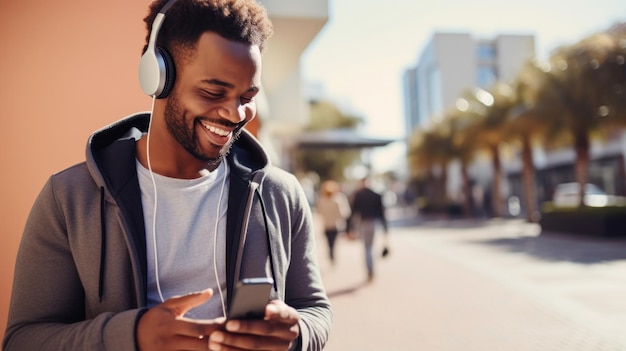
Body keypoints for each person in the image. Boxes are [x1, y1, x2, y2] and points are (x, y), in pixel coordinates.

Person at [3, 1, 332, 350]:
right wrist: (130, 336)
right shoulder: (69, 198)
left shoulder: (279, 194)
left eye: (247, 96)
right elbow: (23, 339)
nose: (235, 113)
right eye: (213, 92)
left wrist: (298, 333)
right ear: (158, 76)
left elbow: (315, 309)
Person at [347, 177, 389, 282]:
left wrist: (350, 227)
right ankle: (371, 268)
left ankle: (369, 269)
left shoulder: (359, 195)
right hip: (373, 222)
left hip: (364, 222)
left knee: (367, 247)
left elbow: (353, 212)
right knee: (370, 246)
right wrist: (385, 228)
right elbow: (382, 213)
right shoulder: (376, 195)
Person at [315, 180, 350, 264]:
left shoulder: (321, 200)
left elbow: (319, 212)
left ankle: (331, 254)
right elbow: (343, 213)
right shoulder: (336, 200)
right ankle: (332, 255)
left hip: (326, 225)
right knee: (333, 242)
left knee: (329, 242)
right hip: (335, 225)